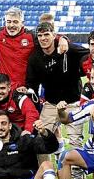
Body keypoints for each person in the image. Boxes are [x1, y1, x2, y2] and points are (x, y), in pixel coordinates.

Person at [24, 22, 89, 163]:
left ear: (54, 35)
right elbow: (31, 83)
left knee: (75, 143)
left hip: (73, 103)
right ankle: (47, 174)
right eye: (40, 35)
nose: (43, 38)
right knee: (40, 142)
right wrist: (30, 95)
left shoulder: (68, 49)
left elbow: (90, 56)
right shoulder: (35, 57)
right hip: (51, 104)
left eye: (46, 34)